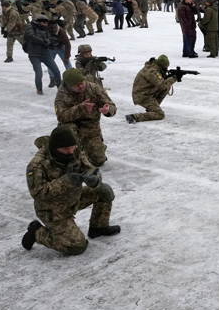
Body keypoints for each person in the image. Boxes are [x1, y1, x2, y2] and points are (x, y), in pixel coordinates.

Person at [22, 125, 119, 255]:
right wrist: (67, 180)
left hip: (74, 198)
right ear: (55, 148)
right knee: (77, 247)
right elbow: (38, 193)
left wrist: (94, 178)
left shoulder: (75, 151)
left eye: (72, 147)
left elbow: (90, 168)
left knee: (104, 191)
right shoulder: (37, 164)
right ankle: (37, 233)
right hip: (53, 210)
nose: (71, 151)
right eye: (66, 149)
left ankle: (98, 227)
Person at [55, 68, 117, 167]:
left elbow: (111, 105)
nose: (81, 86)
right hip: (73, 127)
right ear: (69, 86)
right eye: (76, 85)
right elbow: (61, 117)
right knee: (72, 161)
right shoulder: (62, 94)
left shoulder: (93, 88)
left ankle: (89, 147)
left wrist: (108, 110)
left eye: (82, 82)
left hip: (91, 128)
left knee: (99, 160)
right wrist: (81, 108)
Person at [125, 55, 176, 124]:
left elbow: (161, 82)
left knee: (166, 88)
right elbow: (162, 85)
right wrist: (174, 78)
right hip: (142, 96)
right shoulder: (152, 71)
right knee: (160, 114)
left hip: (147, 92)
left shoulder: (154, 67)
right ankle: (134, 117)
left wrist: (168, 77)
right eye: (166, 67)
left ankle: (152, 108)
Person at [23, 14, 62, 95]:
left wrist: (52, 42)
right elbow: (32, 36)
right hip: (34, 54)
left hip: (45, 54)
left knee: (56, 71)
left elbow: (50, 38)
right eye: (44, 23)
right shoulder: (30, 27)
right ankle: (39, 88)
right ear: (39, 22)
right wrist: (45, 41)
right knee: (39, 72)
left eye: (46, 23)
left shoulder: (46, 29)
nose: (45, 24)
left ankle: (60, 88)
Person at [46, 18, 72, 88]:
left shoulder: (61, 31)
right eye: (51, 28)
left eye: (54, 27)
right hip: (51, 48)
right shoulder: (45, 30)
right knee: (50, 63)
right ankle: (52, 79)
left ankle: (69, 78)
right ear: (48, 27)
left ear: (56, 26)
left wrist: (66, 57)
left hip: (61, 46)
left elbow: (67, 44)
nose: (53, 29)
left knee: (67, 63)